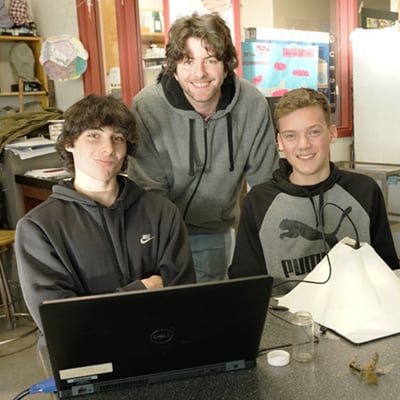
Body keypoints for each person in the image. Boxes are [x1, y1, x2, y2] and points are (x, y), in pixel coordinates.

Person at [15, 94, 196, 338]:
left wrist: (96, 307)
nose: (108, 148)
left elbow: (181, 302)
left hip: (158, 341)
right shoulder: (38, 228)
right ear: (69, 142)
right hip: (84, 355)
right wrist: (141, 289)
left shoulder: (162, 212)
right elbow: (62, 323)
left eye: (117, 138)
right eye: (94, 135)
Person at [128, 12, 279, 282]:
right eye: (188, 61)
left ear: (226, 64)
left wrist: (260, 249)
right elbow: (150, 192)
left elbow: (264, 186)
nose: (200, 73)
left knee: (210, 314)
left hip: (214, 231)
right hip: (159, 234)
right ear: (173, 67)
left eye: (210, 60)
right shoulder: (146, 106)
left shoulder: (252, 104)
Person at [228, 88, 399, 294]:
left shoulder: (364, 190)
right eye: (291, 136)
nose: (304, 145)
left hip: (356, 318)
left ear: (332, 133)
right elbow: (246, 283)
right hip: (287, 321)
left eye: (314, 132)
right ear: (280, 142)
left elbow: (387, 268)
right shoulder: (259, 201)